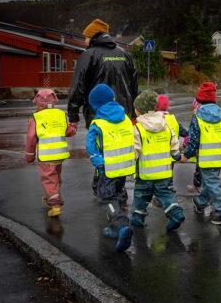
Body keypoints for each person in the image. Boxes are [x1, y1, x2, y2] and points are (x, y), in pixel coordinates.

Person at [67, 18, 138, 196]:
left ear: (93, 36)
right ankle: (119, 188)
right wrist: (135, 111)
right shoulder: (124, 53)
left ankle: (103, 182)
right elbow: (134, 84)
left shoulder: (89, 55)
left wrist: (73, 115)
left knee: (100, 146)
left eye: (85, 37)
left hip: (98, 113)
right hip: (123, 113)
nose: (84, 41)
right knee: (119, 147)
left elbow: (78, 86)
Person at [86, 84, 135, 252]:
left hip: (108, 169)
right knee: (118, 194)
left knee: (106, 198)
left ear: (95, 105)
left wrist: (98, 162)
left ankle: (121, 225)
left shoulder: (97, 124)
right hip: (125, 167)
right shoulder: (126, 117)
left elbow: (91, 147)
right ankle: (115, 229)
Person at [182, 82, 221, 225]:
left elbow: (193, 141)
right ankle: (200, 202)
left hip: (206, 158)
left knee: (212, 183)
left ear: (199, 100)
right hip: (220, 158)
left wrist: (186, 155)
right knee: (210, 182)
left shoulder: (198, 117)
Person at [130, 90, 185, 232]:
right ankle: (176, 213)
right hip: (164, 173)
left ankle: (137, 219)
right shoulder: (165, 125)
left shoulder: (138, 128)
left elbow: (134, 151)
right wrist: (176, 154)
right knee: (166, 194)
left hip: (145, 174)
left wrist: (129, 164)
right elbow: (174, 142)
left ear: (140, 110)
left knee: (141, 196)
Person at [25, 89, 77, 217]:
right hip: (60, 154)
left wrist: (29, 156)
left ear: (37, 102)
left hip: (46, 155)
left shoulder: (36, 118)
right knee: (55, 175)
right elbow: (68, 131)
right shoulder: (61, 114)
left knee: (48, 178)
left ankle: (55, 204)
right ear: (54, 101)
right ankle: (51, 195)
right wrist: (74, 128)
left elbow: (31, 138)